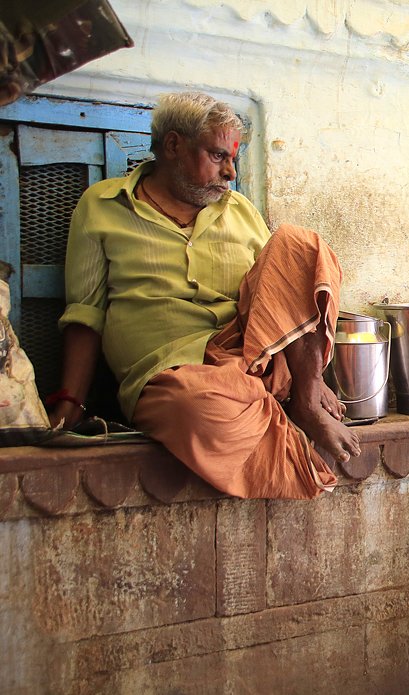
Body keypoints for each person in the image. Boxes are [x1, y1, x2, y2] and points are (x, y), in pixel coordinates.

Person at [48, 91, 361, 499]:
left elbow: (282, 292)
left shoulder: (240, 210)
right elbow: (85, 315)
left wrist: (312, 378)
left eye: (233, 158)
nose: (231, 172)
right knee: (195, 406)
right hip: (172, 375)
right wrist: (71, 401)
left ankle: (302, 398)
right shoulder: (102, 206)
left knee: (299, 244)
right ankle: (267, 409)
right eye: (218, 157)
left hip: (248, 356)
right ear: (174, 145)